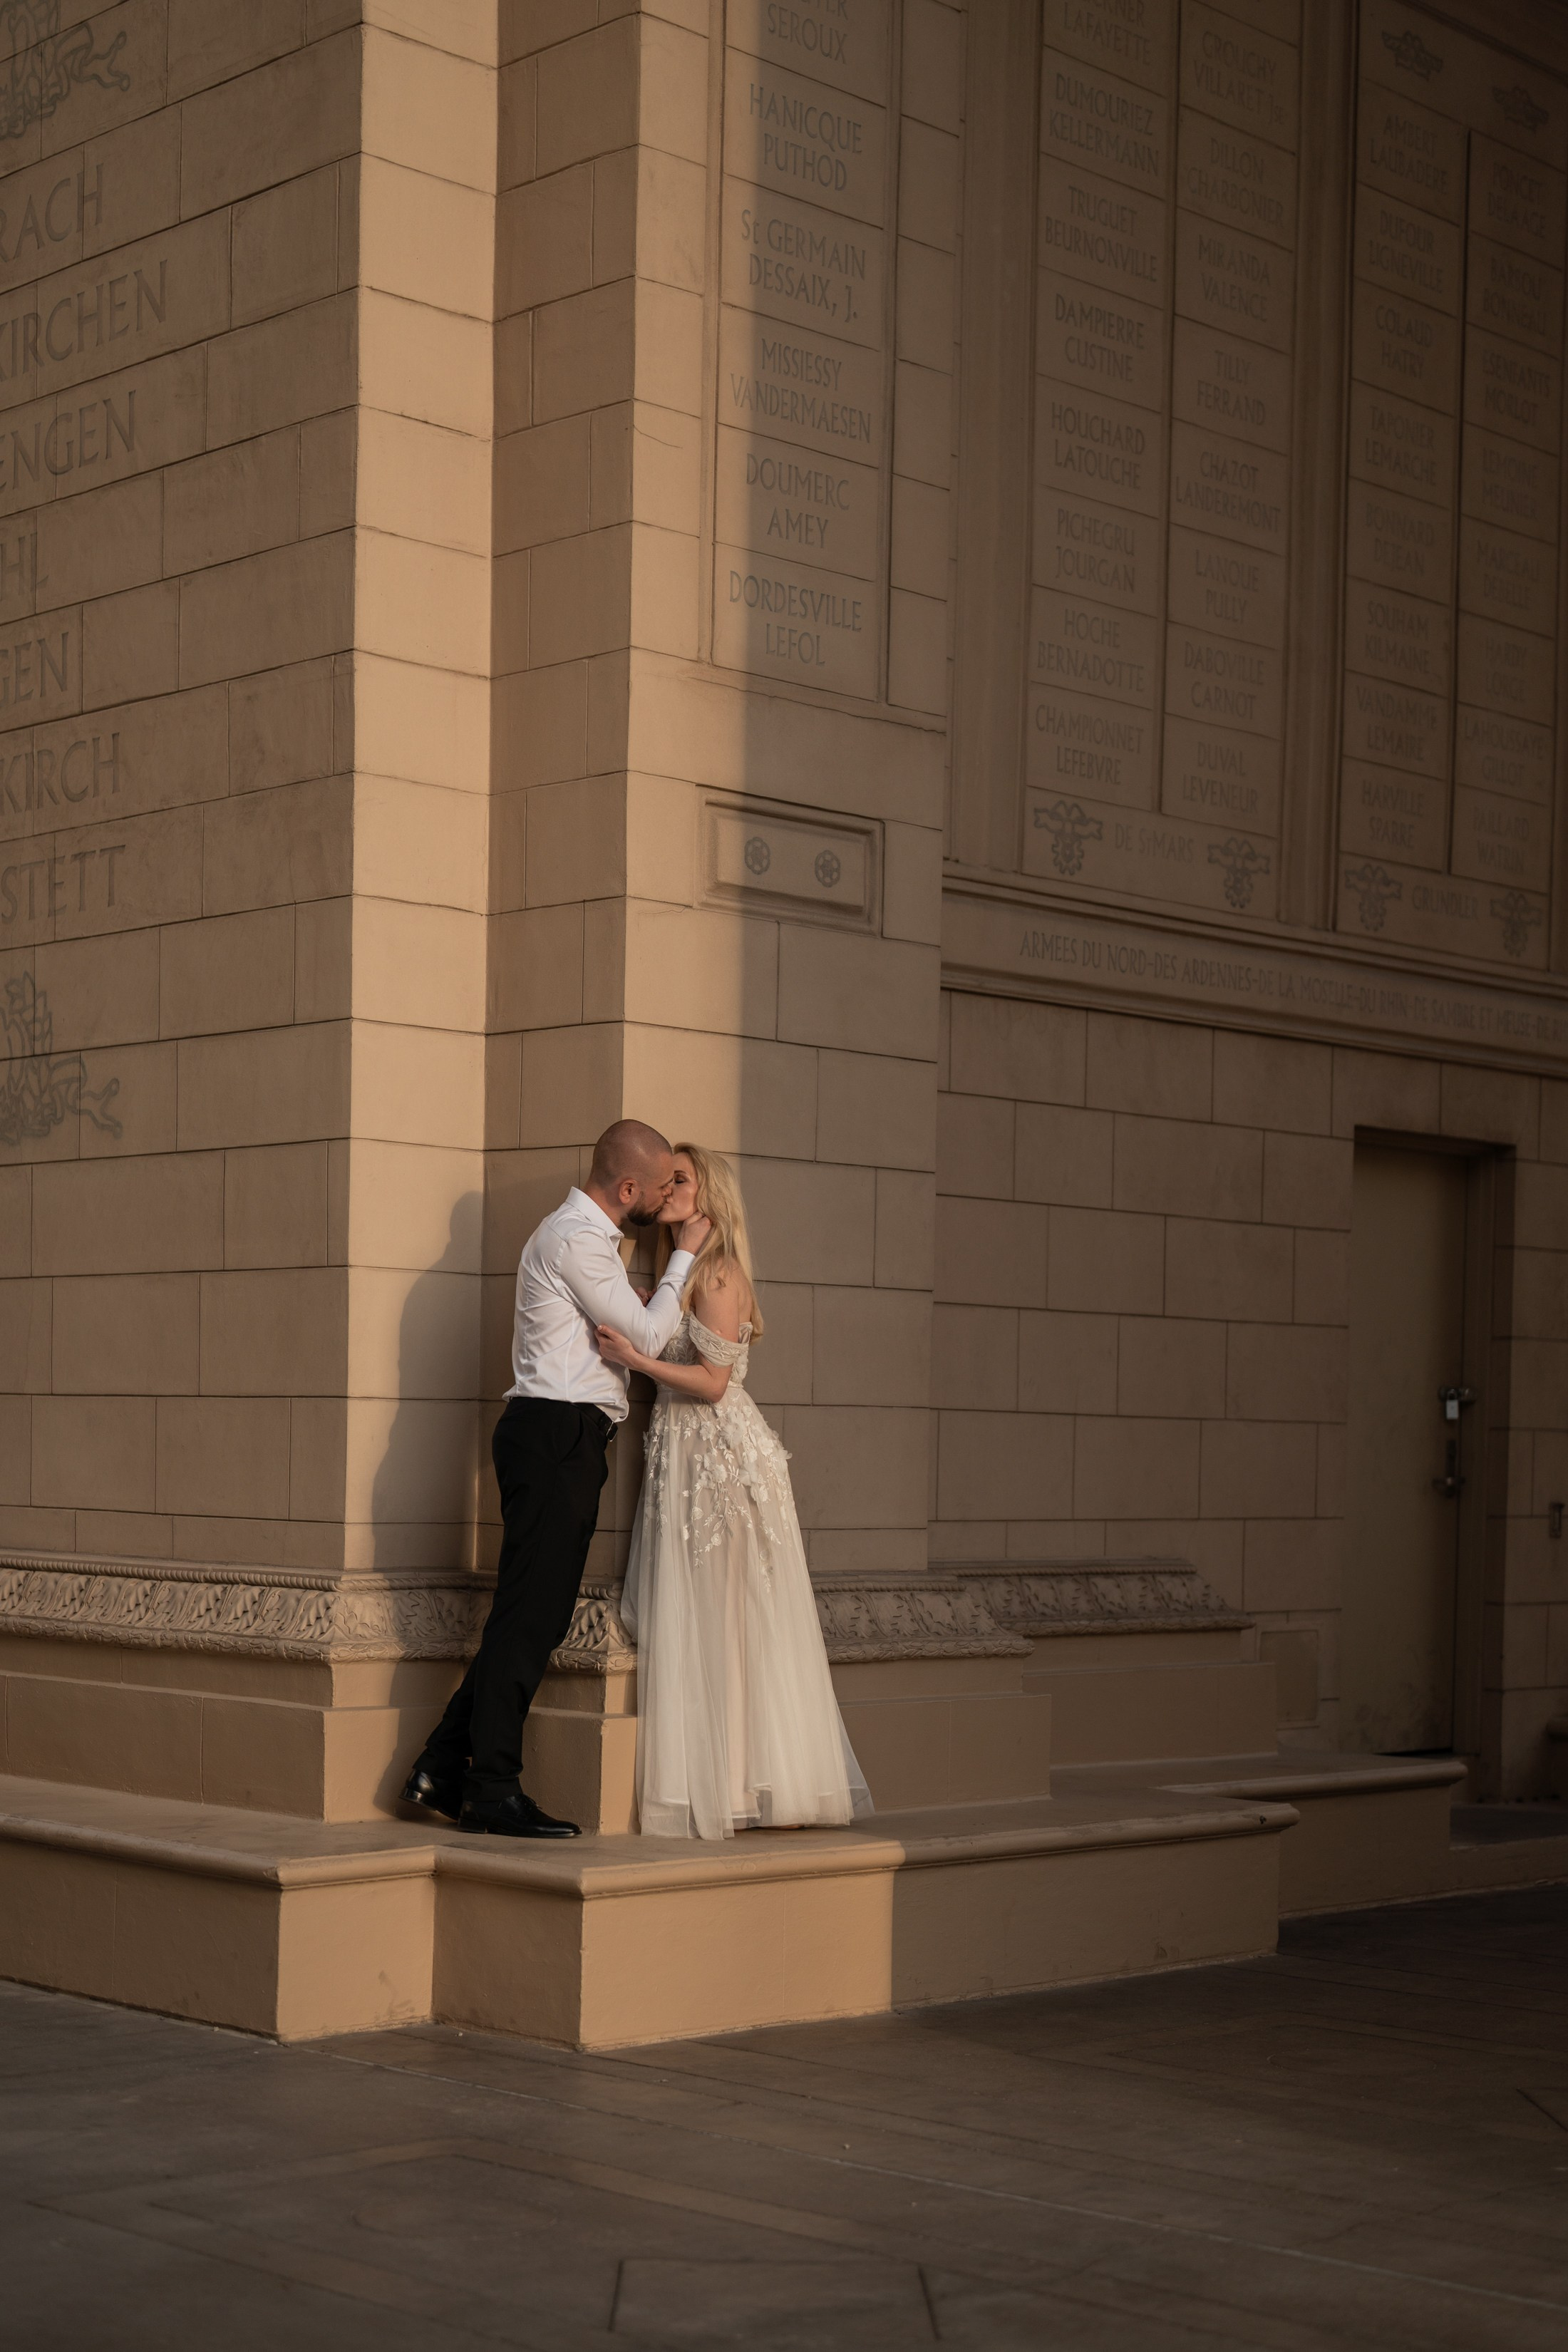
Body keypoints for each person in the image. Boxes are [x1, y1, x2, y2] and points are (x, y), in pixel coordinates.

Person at [401, 1119, 711, 1837]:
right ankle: (491, 1788)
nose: (667, 1198)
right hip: (554, 1435)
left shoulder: (588, 1242)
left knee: (528, 1615)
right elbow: (650, 1337)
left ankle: (442, 1768)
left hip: (562, 1436)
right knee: (531, 1619)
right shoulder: (574, 1240)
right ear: (627, 1188)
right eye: (660, 1186)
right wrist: (684, 1259)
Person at [599, 1144, 872, 1841]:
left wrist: (635, 1358)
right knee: (697, 1616)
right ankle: (719, 1780)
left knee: (723, 1619)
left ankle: (731, 1785)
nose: (666, 1189)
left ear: (708, 1198)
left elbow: (716, 1386)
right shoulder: (678, 1272)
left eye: (680, 1179)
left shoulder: (718, 1275)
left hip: (719, 1461)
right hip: (683, 1455)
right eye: (665, 1178)